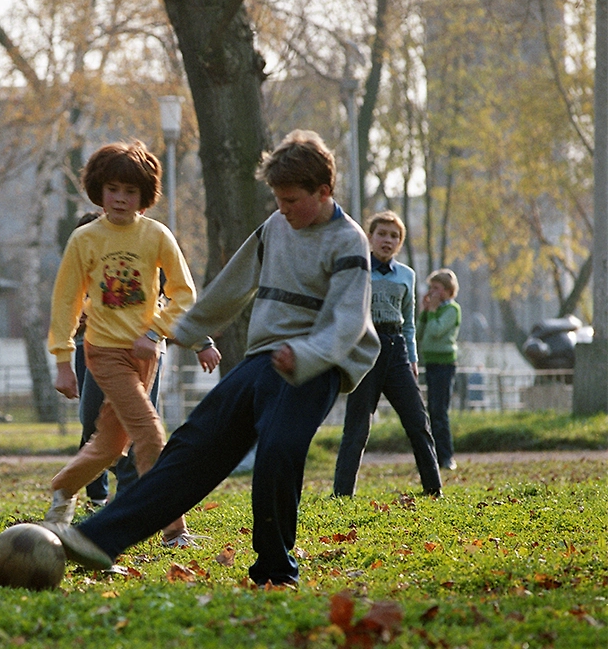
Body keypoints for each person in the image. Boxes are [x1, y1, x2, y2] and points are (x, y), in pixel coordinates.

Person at [42, 130, 381, 588]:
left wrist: (304, 353)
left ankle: (275, 571)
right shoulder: (275, 226)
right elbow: (232, 283)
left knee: (278, 452)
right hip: (264, 360)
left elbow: (347, 323)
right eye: (277, 199)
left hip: (316, 367)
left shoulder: (348, 241)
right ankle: (98, 538)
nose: (282, 208)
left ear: (324, 193)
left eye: (292, 200)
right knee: (191, 446)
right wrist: (184, 330)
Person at [45, 141, 221, 548]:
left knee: (109, 445)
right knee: (151, 434)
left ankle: (61, 490)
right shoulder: (85, 239)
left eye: (130, 191)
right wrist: (62, 360)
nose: (121, 199)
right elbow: (66, 302)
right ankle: (172, 529)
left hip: (147, 353)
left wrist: (154, 333)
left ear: (144, 196)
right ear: (98, 190)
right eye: (112, 189)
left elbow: (184, 293)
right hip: (104, 353)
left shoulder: (157, 235)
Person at [332, 211, 442, 498]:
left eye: (394, 236)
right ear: (370, 237)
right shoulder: (358, 269)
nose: (387, 240)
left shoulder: (407, 275)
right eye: (382, 233)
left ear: (400, 243)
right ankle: (342, 493)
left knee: (418, 421)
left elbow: (410, 320)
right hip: (364, 349)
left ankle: (433, 487)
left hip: (397, 352)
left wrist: (413, 358)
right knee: (357, 427)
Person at [70, 211, 161, 509]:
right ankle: (96, 493)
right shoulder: (80, 264)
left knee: (135, 424)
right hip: (91, 347)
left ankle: (129, 500)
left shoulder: (141, 252)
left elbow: (166, 299)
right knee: (92, 422)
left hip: (139, 351)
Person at [418, 268, 461, 471]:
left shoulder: (452, 310)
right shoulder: (433, 310)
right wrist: (424, 312)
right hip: (431, 362)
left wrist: (433, 311)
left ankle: (446, 456)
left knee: (439, 411)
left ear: (446, 290)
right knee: (431, 410)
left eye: (436, 288)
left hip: (445, 364)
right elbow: (420, 333)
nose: (432, 292)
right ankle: (432, 456)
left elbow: (436, 332)